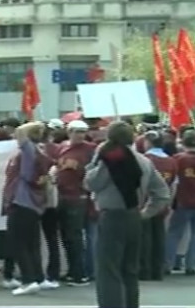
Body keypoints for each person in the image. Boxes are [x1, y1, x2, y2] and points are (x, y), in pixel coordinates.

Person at [84, 121, 170, 308]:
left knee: (109, 271)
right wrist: (146, 212)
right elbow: (162, 193)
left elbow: (91, 183)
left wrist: (96, 160)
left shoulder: (109, 161)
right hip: (133, 216)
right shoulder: (145, 161)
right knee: (129, 270)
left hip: (111, 217)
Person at [1, 121, 53, 296]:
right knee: (31, 244)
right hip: (33, 204)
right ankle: (37, 278)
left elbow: (19, 131)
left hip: (22, 202)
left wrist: (35, 124)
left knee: (20, 243)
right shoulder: (40, 152)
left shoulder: (29, 150)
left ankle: (28, 280)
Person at [54, 120, 95, 286]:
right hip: (62, 195)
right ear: (69, 131)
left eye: (82, 131)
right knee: (66, 236)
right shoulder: (62, 147)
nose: (79, 135)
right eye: (76, 131)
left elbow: (96, 171)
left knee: (75, 236)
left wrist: (80, 169)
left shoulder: (90, 149)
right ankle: (71, 270)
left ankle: (80, 273)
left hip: (78, 197)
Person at [140, 130, 177, 280]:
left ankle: (145, 270)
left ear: (148, 142)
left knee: (145, 238)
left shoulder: (145, 160)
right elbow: (174, 185)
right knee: (159, 237)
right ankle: (158, 270)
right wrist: (168, 203)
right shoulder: (171, 161)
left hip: (146, 203)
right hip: (163, 203)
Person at [167, 129, 195, 274]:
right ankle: (192, 265)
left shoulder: (178, 159)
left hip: (182, 200)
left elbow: (173, 181)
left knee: (174, 233)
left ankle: (167, 264)